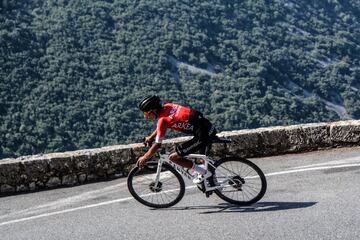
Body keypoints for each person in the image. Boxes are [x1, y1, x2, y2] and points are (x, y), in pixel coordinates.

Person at [136, 95, 217, 184]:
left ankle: (204, 173)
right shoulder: (168, 106)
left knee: (173, 157)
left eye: (146, 113)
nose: (146, 117)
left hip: (204, 134)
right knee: (195, 158)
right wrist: (151, 137)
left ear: (154, 110)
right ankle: (211, 180)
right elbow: (161, 127)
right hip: (207, 126)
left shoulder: (162, 120)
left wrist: (145, 157)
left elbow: (157, 144)